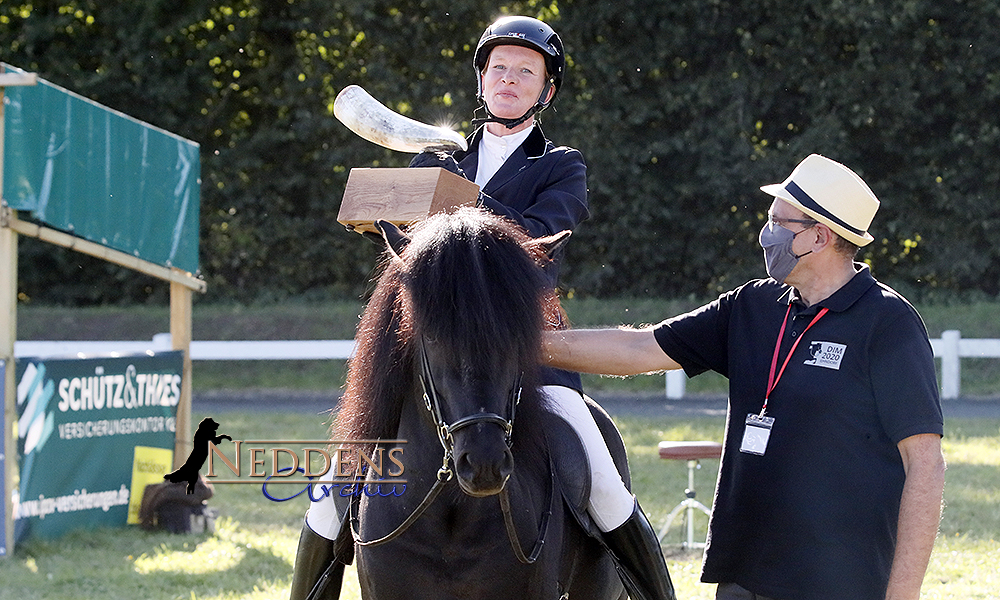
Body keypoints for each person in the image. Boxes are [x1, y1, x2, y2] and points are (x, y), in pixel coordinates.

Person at [291, 16, 676, 600]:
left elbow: (539, 238)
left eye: (526, 71)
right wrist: (388, 213)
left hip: (526, 357)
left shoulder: (561, 166)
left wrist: (457, 202)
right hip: (432, 361)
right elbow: (398, 246)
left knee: (601, 475)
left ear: (546, 91)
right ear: (481, 82)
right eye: (499, 68)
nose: (510, 79)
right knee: (330, 492)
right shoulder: (432, 162)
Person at [543, 154, 947, 600]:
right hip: (743, 578)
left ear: (819, 235)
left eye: (779, 221)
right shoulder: (751, 305)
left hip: (839, 583)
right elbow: (639, 348)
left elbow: (924, 466)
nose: (765, 233)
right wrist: (521, 341)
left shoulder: (889, 324)